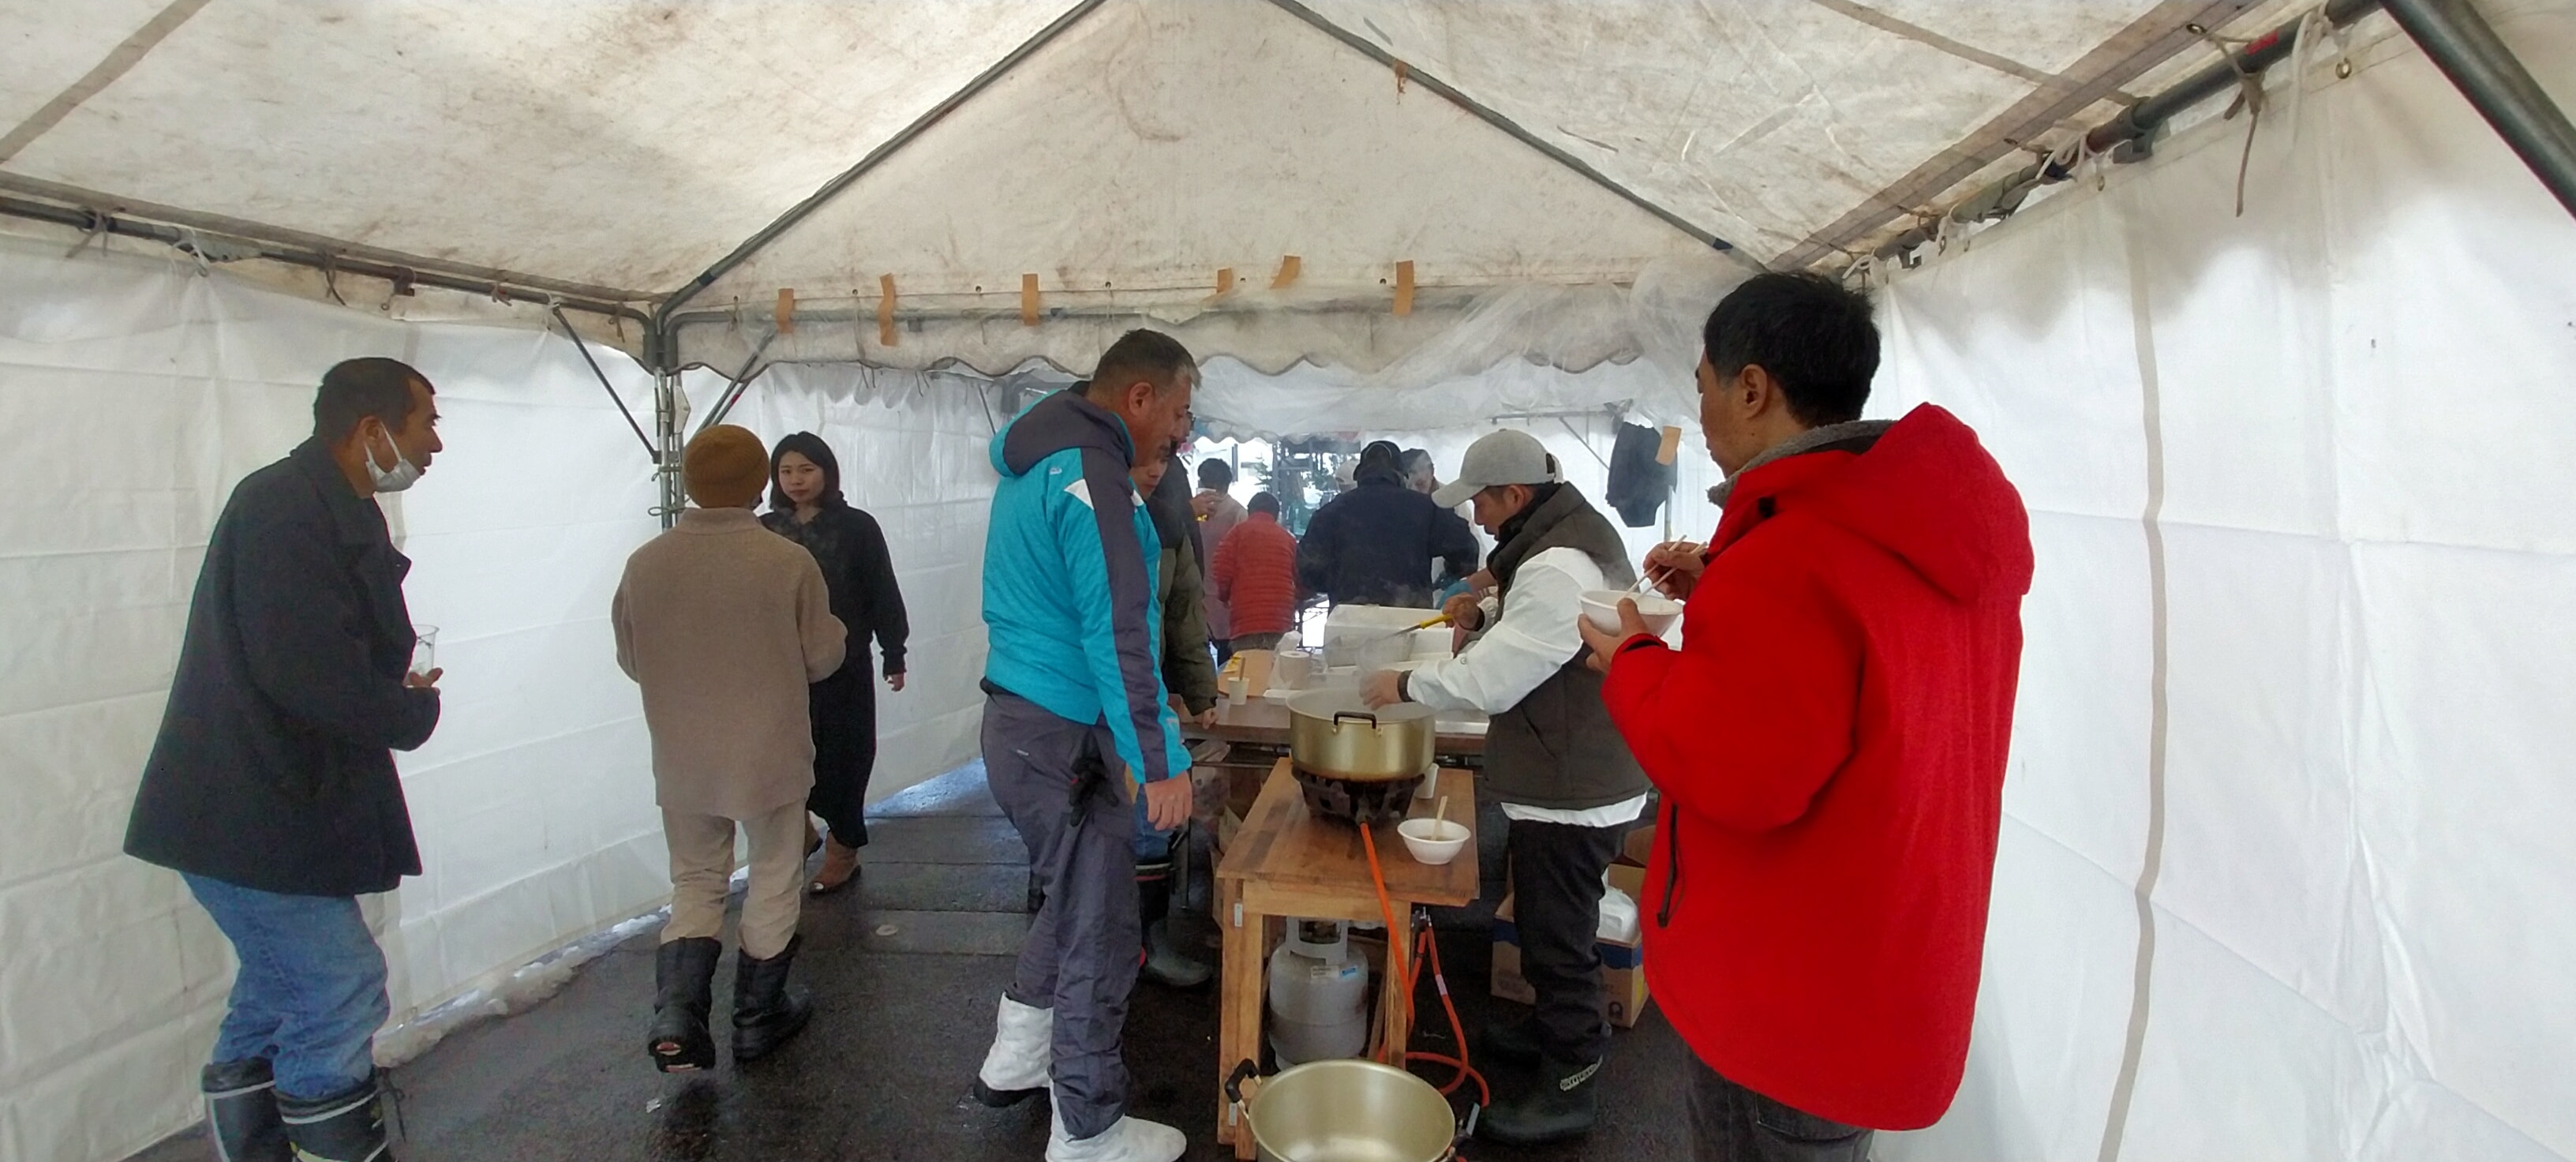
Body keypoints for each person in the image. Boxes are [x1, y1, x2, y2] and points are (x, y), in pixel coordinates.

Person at [1576, 273, 2033, 1162]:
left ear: (1753, 388)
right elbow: (1860, 681)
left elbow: (1729, 768)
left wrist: (1631, 658)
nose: (1700, 413)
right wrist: (1724, 585)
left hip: (1787, 992)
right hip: (1885, 964)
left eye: (1704, 387)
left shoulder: (1790, 557)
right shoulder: (1919, 530)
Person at [124, 357, 445, 1162]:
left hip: (271, 802)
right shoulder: (281, 507)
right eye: (426, 423)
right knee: (339, 984)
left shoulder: (332, 503)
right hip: (246, 804)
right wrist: (408, 709)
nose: (434, 444)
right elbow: (307, 674)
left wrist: (389, 685)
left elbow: (328, 652)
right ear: (371, 429)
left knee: (278, 987)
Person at [1359, 429, 1646, 1145]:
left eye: (1481, 503)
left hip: (1574, 785)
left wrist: (1402, 685)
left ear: (1515, 495)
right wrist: (1483, 612)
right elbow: (1542, 636)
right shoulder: (1556, 545)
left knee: (1558, 938)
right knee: (1554, 923)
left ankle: (1571, 1078)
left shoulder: (1555, 565)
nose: (1476, 518)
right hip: (1570, 771)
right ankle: (1552, 1029)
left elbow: (1494, 680)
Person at [971, 330, 1198, 1162]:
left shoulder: (1039, 458)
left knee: (1072, 897)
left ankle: (1019, 1054)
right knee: (1101, 927)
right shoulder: (1091, 477)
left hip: (1022, 724)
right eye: (1178, 411)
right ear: (1139, 397)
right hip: (1063, 737)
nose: (1182, 431)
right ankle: (1089, 1127)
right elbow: (1121, 632)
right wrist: (1161, 760)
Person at [614, 425, 848, 1073]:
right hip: (769, 751)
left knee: (695, 877)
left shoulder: (646, 562)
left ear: (689, 482)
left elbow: (632, 659)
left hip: (683, 753)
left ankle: (678, 1014)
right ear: (757, 483)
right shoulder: (786, 561)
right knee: (774, 870)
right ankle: (756, 1016)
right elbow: (822, 657)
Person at [762, 432, 910, 896]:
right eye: (786, 471)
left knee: (846, 754)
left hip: (844, 663)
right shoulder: (764, 530)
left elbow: (882, 590)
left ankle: (843, 847)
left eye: (806, 469)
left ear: (827, 472)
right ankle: (800, 830)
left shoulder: (857, 527)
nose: (796, 480)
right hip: (781, 667)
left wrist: (894, 651)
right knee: (784, 755)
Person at [1134, 451, 1216, 990]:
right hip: (1077, 697)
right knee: (1081, 822)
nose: (1155, 469)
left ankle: (1149, 942)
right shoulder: (1080, 507)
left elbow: (1185, 611)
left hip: (1147, 689)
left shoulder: (1167, 520)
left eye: (1165, 458)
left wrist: (1200, 687)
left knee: (1151, 822)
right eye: (1145, 457)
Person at [1296, 440, 1478, 608]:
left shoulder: (1330, 513)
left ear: (1359, 475)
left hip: (1347, 617)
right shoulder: (1426, 508)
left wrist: (1340, 582)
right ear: (1402, 476)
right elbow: (1466, 550)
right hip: (1410, 617)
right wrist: (1448, 577)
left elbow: (1307, 570)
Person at [1209, 491, 1299, 652]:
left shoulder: (1235, 534)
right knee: (1277, 665)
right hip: (1280, 620)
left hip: (1245, 622)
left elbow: (1221, 570)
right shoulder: (1288, 539)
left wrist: (1224, 596)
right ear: (1276, 515)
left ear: (1250, 511)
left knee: (1248, 665)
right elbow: (1300, 576)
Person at [1190, 458, 1247, 662]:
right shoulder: (1196, 510)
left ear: (1219, 484)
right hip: (1205, 591)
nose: (1202, 485)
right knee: (1210, 650)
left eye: (1204, 480)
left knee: (1219, 650)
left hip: (1221, 593)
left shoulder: (1237, 512)